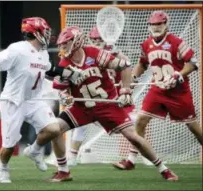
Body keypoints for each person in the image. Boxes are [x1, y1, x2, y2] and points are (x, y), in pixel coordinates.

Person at [46, 26, 178, 182]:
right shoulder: (64, 62)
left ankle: (163, 169)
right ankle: (63, 171)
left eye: (65, 44)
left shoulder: (94, 54)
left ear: (76, 41)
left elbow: (125, 65)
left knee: (133, 137)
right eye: (61, 44)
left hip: (107, 106)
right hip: (82, 108)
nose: (61, 47)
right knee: (54, 129)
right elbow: (63, 88)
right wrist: (65, 96)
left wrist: (126, 91)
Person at [0, 17, 83, 183]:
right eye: (45, 30)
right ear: (35, 32)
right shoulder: (17, 49)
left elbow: (50, 70)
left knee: (54, 129)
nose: (47, 34)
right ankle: (2, 168)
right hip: (13, 100)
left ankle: (35, 150)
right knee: (9, 146)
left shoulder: (43, 52)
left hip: (34, 100)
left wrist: (69, 73)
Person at [112, 11, 202, 172]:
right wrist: (133, 76)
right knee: (140, 120)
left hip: (178, 92)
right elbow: (142, 64)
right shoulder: (146, 44)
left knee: (193, 127)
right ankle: (131, 160)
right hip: (157, 90)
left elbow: (193, 63)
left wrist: (178, 74)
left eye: (159, 24)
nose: (156, 27)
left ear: (166, 24)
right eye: (153, 24)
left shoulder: (177, 42)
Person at [68, 26, 137, 166]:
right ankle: (72, 158)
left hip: (114, 101)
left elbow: (127, 71)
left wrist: (126, 88)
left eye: (99, 39)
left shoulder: (116, 56)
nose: (96, 42)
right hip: (93, 101)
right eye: (94, 39)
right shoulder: (86, 56)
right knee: (78, 125)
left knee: (136, 122)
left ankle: (132, 157)